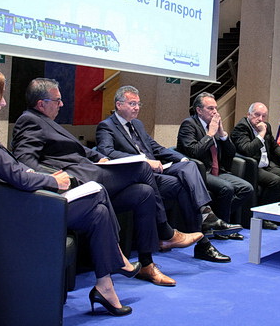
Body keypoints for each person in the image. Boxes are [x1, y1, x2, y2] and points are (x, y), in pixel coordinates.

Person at [0, 63, 134, 316]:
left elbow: (10, 171)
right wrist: (54, 181)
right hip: (14, 213)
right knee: (97, 191)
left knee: (98, 212)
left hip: (4, 207)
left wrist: (33, 174)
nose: (2, 102)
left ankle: (105, 285)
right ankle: (115, 257)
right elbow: (18, 177)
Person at [12, 78, 202, 287]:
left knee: (144, 192)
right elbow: (24, 161)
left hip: (92, 171)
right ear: (41, 103)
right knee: (141, 167)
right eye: (57, 100)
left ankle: (147, 264)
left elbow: (79, 150)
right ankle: (165, 232)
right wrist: (53, 178)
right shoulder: (29, 120)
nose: (62, 104)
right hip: (81, 180)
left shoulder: (47, 121)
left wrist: (99, 158)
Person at [96, 85, 242, 263]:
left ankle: (205, 214)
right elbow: (106, 152)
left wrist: (182, 159)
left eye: (138, 103)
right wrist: (143, 161)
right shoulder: (106, 126)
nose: (136, 107)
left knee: (189, 168)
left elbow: (156, 147)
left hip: (157, 170)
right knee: (184, 187)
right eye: (132, 103)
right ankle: (203, 241)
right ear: (119, 105)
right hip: (136, 176)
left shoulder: (137, 124)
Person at [176, 92, 254, 240]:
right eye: (210, 108)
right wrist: (210, 134)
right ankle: (221, 228)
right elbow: (194, 152)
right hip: (199, 172)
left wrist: (222, 133)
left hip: (218, 170)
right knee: (227, 188)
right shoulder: (189, 125)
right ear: (199, 110)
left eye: (216, 108)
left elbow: (230, 153)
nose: (215, 112)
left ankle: (217, 222)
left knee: (246, 188)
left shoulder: (214, 126)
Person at [230, 102, 280, 230]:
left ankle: (278, 216)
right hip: (252, 167)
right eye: (257, 115)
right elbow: (247, 150)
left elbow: (274, 146)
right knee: (275, 181)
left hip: (266, 165)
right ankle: (263, 217)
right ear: (248, 114)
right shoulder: (241, 128)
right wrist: (261, 134)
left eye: (263, 116)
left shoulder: (266, 126)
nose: (260, 119)